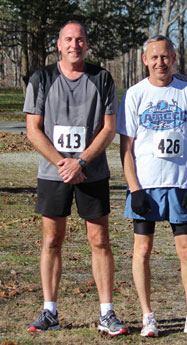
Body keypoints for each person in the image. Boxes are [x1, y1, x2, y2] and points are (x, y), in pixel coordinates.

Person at [23, 20, 128, 337]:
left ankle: (106, 313)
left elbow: (109, 128)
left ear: (87, 44)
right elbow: (33, 129)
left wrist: (80, 161)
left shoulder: (102, 78)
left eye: (80, 39)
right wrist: (62, 163)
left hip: (91, 172)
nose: (74, 45)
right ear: (59, 44)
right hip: (53, 174)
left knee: (100, 241)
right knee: (52, 240)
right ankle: (49, 311)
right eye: (68, 39)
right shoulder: (42, 78)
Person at [117, 35, 187, 338]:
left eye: (166, 57)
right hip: (146, 186)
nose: (160, 63)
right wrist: (134, 189)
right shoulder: (134, 95)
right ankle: (147, 316)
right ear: (145, 60)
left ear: (174, 58)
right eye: (154, 57)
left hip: (179, 186)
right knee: (142, 249)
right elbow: (126, 149)